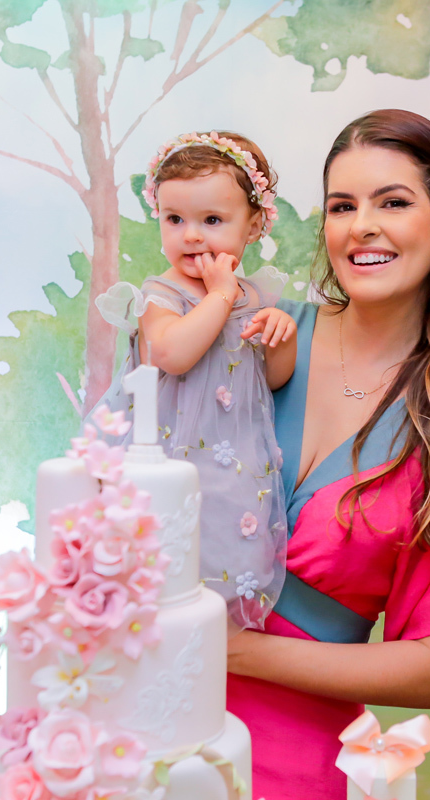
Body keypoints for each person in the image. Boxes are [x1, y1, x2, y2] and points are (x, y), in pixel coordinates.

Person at [225, 109, 430, 798]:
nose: (362, 226)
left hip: (294, 759)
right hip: (148, 714)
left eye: (393, 203)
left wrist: (235, 651)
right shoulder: (253, 338)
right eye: (342, 206)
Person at [92, 131, 297, 630]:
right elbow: (172, 354)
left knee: (224, 539)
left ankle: (215, 636)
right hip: (165, 450)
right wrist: (220, 296)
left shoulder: (253, 296)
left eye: (212, 221)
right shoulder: (161, 293)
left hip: (233, 457)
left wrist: (279, 335)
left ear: (253, 226)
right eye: (174, 219)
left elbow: (273, 378)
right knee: (163, 546)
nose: (191, 236)